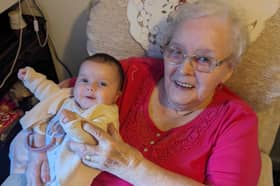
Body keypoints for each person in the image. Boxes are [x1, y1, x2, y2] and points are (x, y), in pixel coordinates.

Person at [4, 0, 261, 185]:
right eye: (176, 51)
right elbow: (62, 96)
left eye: (204, 59)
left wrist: (132, 166)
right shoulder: (130, 73)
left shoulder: (235, 121)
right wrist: (37, 145)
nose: (184, 68)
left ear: (228, 69)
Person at [3, 53, 124, 186]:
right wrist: (30, 78)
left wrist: (73, 125)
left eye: (102, 84)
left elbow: (93, 140)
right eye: (84, 80)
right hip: (35, 161)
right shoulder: (67, 97)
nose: (91, 87)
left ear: (116, 95)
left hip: (65, 175)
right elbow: (46, 90)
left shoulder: (106, 114)